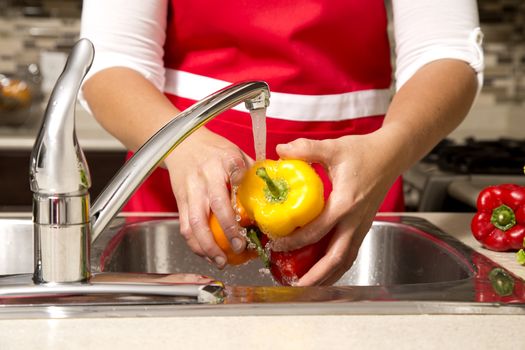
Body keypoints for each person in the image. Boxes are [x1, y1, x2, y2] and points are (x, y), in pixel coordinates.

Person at [80, 0, 483, 286]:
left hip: (354, 185)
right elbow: (110, 62)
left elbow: (445, 51)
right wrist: (182, 146)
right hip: (181, 188)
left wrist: (388, 149)